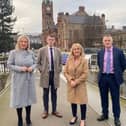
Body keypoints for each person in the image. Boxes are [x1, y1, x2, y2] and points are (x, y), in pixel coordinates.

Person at [7, 35, 37, 126]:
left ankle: (28, 117)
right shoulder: (13, 53)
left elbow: (35, 63)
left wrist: (32, 68)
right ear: (18, 43)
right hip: (18, 80)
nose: (24, 43)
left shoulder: (30, 53)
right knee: (19, 100)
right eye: (22, 41)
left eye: (25, 42)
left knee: (28, 99)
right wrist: (20, 69)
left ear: (28, 43)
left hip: (29, 80)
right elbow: (9, 65)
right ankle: (19, 119)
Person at [97, 34, 126, 126]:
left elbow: (123, 65)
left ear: (112, 41)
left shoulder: (119, 52)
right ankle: (105, 114)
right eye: (105, 40)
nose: (107, 42)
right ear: (103, 42)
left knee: (115, 98)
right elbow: (99, 64)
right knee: (103, 97)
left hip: (114, 78)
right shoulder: (100, 52)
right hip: (103, 77)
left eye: (109, 40)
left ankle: (116, 118)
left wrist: (117, 73)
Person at [37, 33, 62, 119]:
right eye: (49, 40)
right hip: (45, 75)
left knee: (54, 93)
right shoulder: (42, 50)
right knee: (45, 93)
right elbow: (38, 63)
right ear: (46, 40)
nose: (51, 41)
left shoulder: (58, 51)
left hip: (55, 75)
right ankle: (45, 111)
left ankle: (54, 110)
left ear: (54, 41)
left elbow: (60, 63)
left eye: (52, 40)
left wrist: (58, 70)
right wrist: (41, 70)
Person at [64, 43, 88, 126]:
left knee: (82, 102)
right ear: (72, 51)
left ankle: (83, 119)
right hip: (71, 84)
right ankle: (74, 116)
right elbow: (65, 72)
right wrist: (70, 80)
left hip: (80, 85)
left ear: (81, 50)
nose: (76, 50)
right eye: (74, 49)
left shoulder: (84, 60)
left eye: (78, 49)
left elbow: (85, 74)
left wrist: (76, 82)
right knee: (73, 101)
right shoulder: (68, 60)